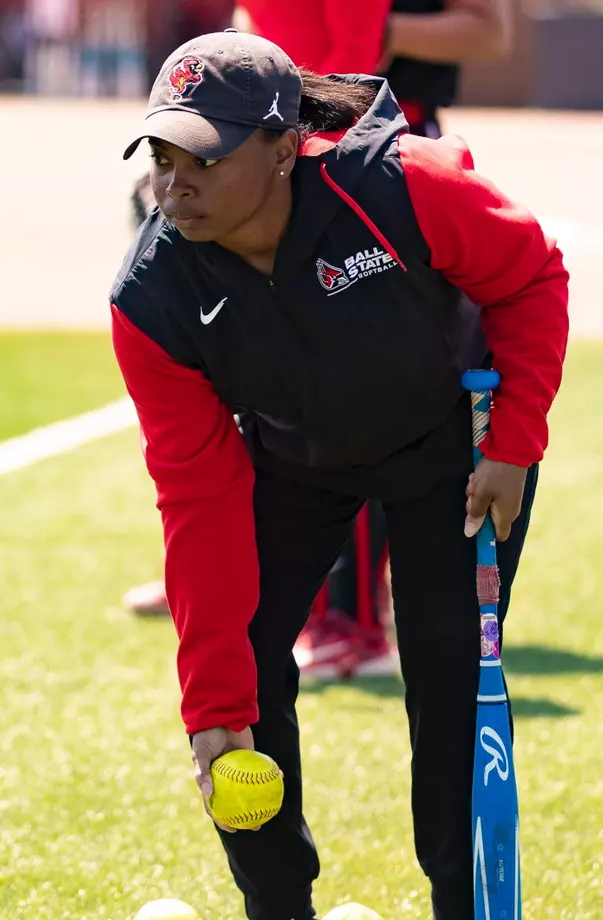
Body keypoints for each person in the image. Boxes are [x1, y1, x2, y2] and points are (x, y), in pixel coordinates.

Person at [111, 31, 566, 920]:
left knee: (447, 674)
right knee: (244, 665)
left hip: (454, 448)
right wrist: (213, 703)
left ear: (282, 149)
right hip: (291, 460)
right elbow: (194, 499)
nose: (175, 183)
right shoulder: (152, 296)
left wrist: (518, 443)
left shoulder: (407, 184)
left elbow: (530, 276)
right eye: (162, 156)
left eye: (204, 156)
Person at [124, 0, 515, 686]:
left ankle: (354, 619)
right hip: (257, 144)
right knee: (252, 393)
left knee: (357, 396)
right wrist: (202, 143)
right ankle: (223, 587)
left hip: (337, 149)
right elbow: (251, 35)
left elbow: (485, 33)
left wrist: (290, 143)